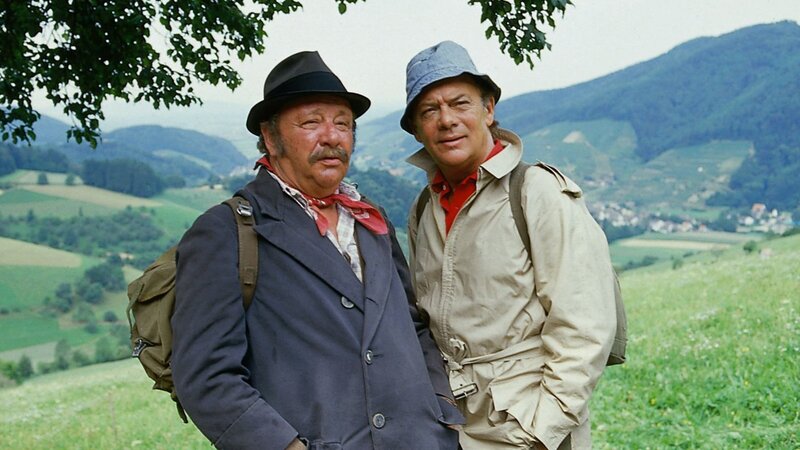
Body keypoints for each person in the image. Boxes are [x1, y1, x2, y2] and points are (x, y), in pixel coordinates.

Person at [171, 51, 462, 450]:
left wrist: (441, 408)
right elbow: (205, 376)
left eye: (343, 124)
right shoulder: (227, 230)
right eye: (311, 122)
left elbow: (411, 323)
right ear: (270, 138)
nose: (332, 137)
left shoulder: (369, 219)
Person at [403, 41, 617, 450]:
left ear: (489, 109)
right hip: (452, 424)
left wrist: (543, 431)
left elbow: (584, 326)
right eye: (429, 110)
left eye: (460, 103)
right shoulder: (423, 208)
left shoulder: (536, 192)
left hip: (526, 423)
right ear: (416, 128)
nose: (446, 120)